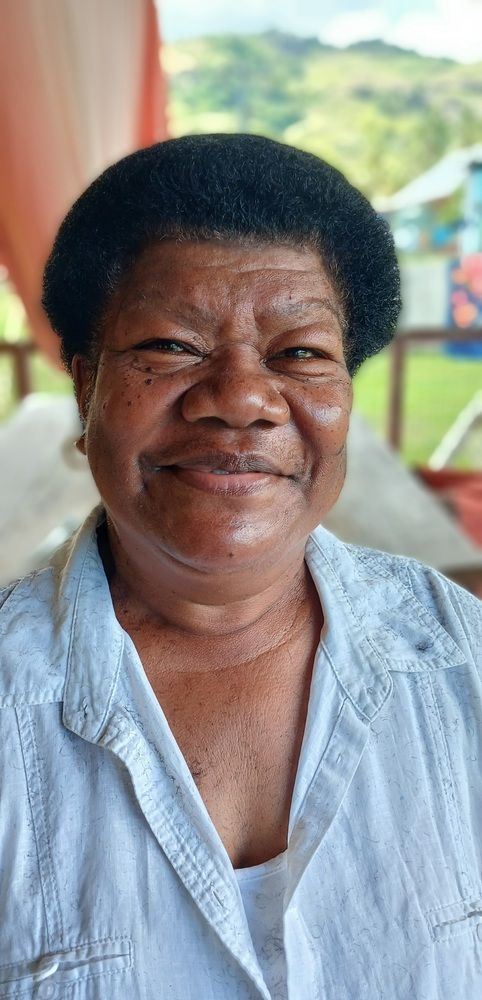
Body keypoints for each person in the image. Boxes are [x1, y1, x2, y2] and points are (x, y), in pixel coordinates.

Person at [0, 134, 481, 1000]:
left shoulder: (465, 663)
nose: (242, 399)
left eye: (300, 353)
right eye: (171, 345)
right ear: (85, 386)